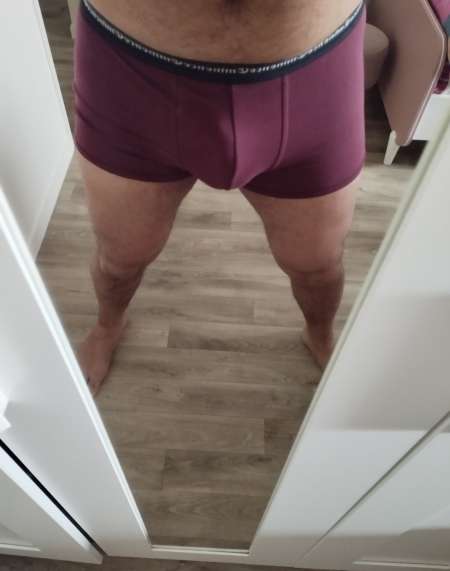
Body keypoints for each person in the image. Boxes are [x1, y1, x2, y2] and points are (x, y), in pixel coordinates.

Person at [74, 0, 366, 395]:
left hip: (312, 75)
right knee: (120, 259)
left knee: (317, 265)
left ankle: (320, 333)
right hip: (132, 77)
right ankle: (108, 325)